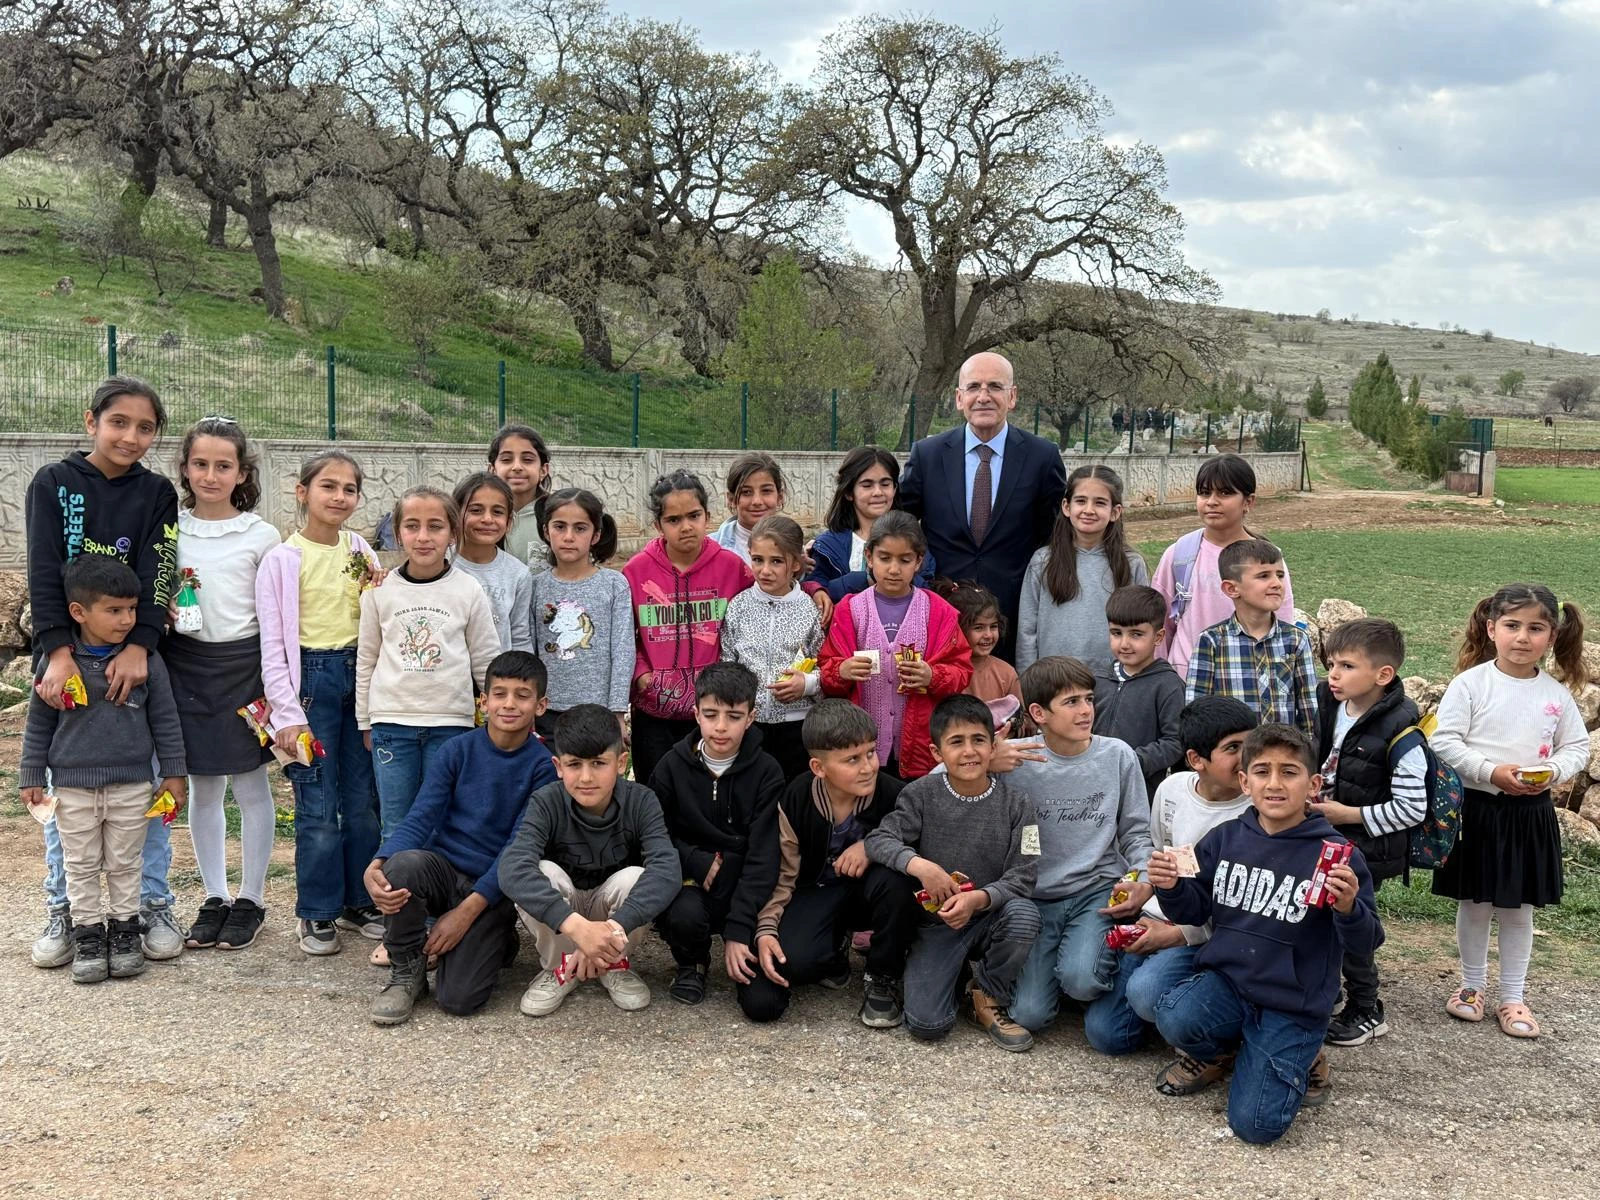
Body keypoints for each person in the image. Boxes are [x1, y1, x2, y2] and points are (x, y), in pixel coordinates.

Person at [1149, 724, 1382, 1145]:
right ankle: (1228, 1053)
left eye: (1289, 772)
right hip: (1229, 983)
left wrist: (1349, 908)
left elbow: (1366, 943)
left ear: (1313, 785)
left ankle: (1302, 1053)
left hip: (1293, 1001)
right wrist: (1172, 888)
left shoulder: (1337, 856)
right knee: (1174, 1013)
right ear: (1244, 781)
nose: (1274, 784)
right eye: (1262, 772)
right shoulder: (1224, 838)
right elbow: (1195, 909)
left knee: (1257, 1126)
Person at [25, 375, 184, 969]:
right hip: (68, 658)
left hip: (134, 658)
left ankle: (149, 904)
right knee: (69, 803)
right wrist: (56, 650)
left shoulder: (157, 492)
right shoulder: (54, 483)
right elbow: (45, 569)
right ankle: (67, 911)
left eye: (146, 428)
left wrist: (142, 644)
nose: (131, 436)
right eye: (120, 422)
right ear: (91, 420)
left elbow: (159, 566)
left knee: (141, 795)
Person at [361, 651, 559, 1025]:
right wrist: (378, 863)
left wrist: (465, 914)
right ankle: (407, 971)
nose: (510, 704)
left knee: (458, 999)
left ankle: (498, 938)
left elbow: (517, 849)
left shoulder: (542, 768)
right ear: (483, 701)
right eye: (499, 693)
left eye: (522, 695)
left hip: (493, 889)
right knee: (401, 866)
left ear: (541, 705)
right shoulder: (457, 750)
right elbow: (420, 817)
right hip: (442, 871)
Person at [1430, 584, 1589, 1040]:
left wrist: (1553, 770)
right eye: (1512, 626)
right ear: (1491, 628)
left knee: (1518, 909)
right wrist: (1489, 770)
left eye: (1536, 628)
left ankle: (1513, 996)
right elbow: (1444, 740)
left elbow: (1577, 746)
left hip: (1529, 815)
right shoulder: (1471, 684)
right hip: (1478, 810)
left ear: (1552, 636)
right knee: (1475, 902)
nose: (1523, 637)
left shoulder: (1555, 694)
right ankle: (1471, 987)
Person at [20, 557, 187, 984]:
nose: (127, 619)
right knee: (79, 863)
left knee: (125, 861)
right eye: (114, 610)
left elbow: (165, 718)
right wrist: (31, 776)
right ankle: (89, 935)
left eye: (132, 609)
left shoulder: (144, 660)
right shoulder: (57, 663)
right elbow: (39, 723)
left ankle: (125, 932)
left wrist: (172, 773)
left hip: (133, 784)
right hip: (73, 788)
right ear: (78, 612)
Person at [257, 451, 384, 957]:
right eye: (327, 486)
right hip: (309, 683)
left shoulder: (361, 551)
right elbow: (272, 643)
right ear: (302, 491)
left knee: (362, 801)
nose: (338, 497)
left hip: (360, 676)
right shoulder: (283, 559)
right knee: (317, 802)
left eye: (349, 489)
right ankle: (316, 911)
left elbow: (376, 617)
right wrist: (287, 714)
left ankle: (359, 900)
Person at [726, 699, 918, 1026]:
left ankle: (882, 977)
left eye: (870, 753)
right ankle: (832, 953)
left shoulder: (894, 794)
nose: (868, 767)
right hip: (815, 892)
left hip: (870, 894)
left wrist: (872, 846)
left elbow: (920, 835)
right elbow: (782, 875)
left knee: (898, 881)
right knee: (775, 985)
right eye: (852, 759)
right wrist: (765, 929)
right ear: (819, 767)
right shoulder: (796, 798)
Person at [1083, 697, 1257, 1058]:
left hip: (1211, 932)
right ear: (1197, 760)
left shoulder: (1256, 811)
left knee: (1146, 992)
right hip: (1158, 915)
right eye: (1233, 748)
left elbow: (1246, 906)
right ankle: (1171, 1008)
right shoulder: (1173, 789)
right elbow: (1159, 854)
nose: (1248, 758)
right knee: (1106, 1035)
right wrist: (1143, 885)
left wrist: (1180, 935)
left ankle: (1198, 1019)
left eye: (1251, 744)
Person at [865, 694, 1041, 1049]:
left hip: (990, 916)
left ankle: (987, 992)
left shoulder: (1019, 805)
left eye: (978, 740)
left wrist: (979, 899)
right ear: (936, 753)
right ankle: (947, 969)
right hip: (938, 924)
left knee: (1024, 914)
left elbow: (1025, 874)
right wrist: (921, 866)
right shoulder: (920, 794)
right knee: (927, 1025)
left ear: (994, 747)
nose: (969, 752)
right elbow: (879, 839)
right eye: (956, 742)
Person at [166, 415, 281, 952]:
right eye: (200, 464)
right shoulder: (169, 527)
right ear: (185, 469)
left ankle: (252, 897)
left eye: (223, 465)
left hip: (244, 667)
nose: (210, 475)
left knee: (251, 784)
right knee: (204, 786)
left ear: (241, 473)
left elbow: (274, 611)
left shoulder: (261, 535)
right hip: (186, 664)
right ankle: (214, 895)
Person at [1004, 656, 1154, 1034]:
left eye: (1088, 699)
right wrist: (987, 759)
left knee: (1082, 982)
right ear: (1038, 712)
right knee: (1029, 1016)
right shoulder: (1017, 758)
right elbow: (941, 777)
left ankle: (1086, 969)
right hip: (1038, 897)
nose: (1086, 710)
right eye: (1071, 702)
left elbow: (1136, 832)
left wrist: (1143, 877)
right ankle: (1063, 964)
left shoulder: (1118, 755)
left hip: (1096, 889)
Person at [500, 704, 680, 1017]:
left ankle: (613, 963)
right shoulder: (547, 801)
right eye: (574, 764)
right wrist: (577, 928)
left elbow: (667, 870)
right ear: (558, 766)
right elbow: (512, 867)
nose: (586, 777)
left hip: (609, 912)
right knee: (543, 872)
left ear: (621, 762)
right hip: (566, 909)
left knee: (636, 877)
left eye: (598, 763)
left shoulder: (641, 800)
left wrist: (610, 930)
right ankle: (559, 967)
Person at [897, 351, 1067, 658]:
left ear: (1012, 396)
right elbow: (900, 524)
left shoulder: (1042, 457)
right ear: (959, 398)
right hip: (941, 612)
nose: (983, 396)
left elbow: (1054, 533)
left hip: (1011, 616)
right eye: (974, 387)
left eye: (995, 387)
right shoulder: (928, 454)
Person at [357, 486, 500, 840]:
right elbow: (367, 657)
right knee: (397, 827)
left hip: (451, 725)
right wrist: (365, 720)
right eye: (412, 526)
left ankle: (440, 895)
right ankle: (396, 897)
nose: (423, 537)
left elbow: (486, 660)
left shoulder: (468, 590)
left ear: (453, 532)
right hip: (392, 723)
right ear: (397, 530)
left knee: (443, 825)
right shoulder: (379, 590)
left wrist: (497, 716)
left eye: (435, 526)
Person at [1309, 618, 1427, 1047]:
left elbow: (1412, 808)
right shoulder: (1333, 703)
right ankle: (1332, 989)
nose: (1333, 675)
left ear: (1382, 675)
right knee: (1321, 916)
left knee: (1352, 922)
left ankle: (1367, 1007)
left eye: (1346, 666)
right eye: (1331, 664)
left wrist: (1347, 814)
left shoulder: (1402, 731)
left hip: (1366, 849)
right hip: (1330, 836)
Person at [648, 662, 785, 1006]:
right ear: (696, 715)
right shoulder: (671, 765)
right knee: (683, 913)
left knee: (764, 1005)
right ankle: (692, 962)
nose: (721, 727)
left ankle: (740, 940)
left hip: (746, 887)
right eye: (711, 714)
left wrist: (740, 929)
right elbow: (652, 835)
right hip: (693, 882)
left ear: (751, 718)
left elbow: (765, 855)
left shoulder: (768, 771)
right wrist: (694, 861)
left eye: (734, 716)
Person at [819, 512, 972, 780]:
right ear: (869, 557)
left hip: (920, 744)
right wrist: (842, 670)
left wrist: (932, 676)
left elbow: (961, 670)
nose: (893, 569)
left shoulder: (937, 612)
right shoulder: (850, 610)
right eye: (885, 558)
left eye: (905, 560)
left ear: (918, 562)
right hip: (860, 745)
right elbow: (827, 670)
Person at [623, 470, 754, 786]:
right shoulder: (636, 571)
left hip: (714, 710)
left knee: (708, 790)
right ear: (658, 525)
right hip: (654, 710)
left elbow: (754, 615)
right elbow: (626, 634)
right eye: (673, 519)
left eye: (694, 515)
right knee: (655, 790)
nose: (686, 527)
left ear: (708, 516)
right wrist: (642, 673)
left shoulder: (732, 567)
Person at [1151, 453, 1297, 680]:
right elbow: (1160, 623)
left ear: (1248, 501)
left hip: (1249, 681)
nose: (1212, 501)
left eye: (1225, 493)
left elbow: (1283, 624)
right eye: (1204, 492)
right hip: (1187, 679)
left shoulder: (1268, 557)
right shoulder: (1180, 555)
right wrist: (1159, 679)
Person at [1016, 465, 1149, 675]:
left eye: (1100, 503)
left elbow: (1143, 627)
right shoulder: (1043, 560)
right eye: (1081, 501)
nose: (1089, 510)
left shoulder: (1132, 564)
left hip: (1113, 679)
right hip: (1053, 680)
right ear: (1066, 507)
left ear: (1115, 512)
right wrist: (1027, 679)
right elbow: (1027, 629)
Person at [719, 515, 823, 780]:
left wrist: (807, 684)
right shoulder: (738, 607)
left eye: (776, 561)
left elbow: (825, 665)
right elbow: (727, 663)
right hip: (749, 725)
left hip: (797, 725)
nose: (765, 570)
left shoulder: (809, 609)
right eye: (758, 560)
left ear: (796, 563)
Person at [1185, 539, 1318, 740]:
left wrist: (1308, 754)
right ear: (1231, 589)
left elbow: (1310, 709)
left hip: (1281, 755)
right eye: (1264, 576)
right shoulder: (1211, 641)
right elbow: (1197, 710)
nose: (1276, 583)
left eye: (1279, 575)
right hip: (1231, 757)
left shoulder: (1296, 639)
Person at [528, 488, 632, 740]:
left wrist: (617, 710)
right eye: (560, 527)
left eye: (580, 528)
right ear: (545, 531)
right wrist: (529, 705)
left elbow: (623, 650)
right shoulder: (534, 586)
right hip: (548, 712)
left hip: (599, 711)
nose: (569, 537)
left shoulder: (614, 584)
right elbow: (529, 650)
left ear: (595, 534)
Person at [1093, 584, 1185, 800]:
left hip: (1141, 792)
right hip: (1093, 785)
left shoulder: (1168, 685)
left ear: (1159, 637)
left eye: (1136, 635)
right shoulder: (1097, 679)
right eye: (1116, 633)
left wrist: (1133, 760)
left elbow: (1176, 741)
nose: (1124, 643)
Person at [808, 447, 936, 601]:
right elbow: (814, 584)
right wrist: (819, 590)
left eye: (885, 484)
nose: (878, 492)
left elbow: (927, 590)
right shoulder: (827, 546)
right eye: (867, 485)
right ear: (849, 492)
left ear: (895, 489)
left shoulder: (914, 542)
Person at [450, 472, 534, 653]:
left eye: (497, 512)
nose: (487, 519)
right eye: (476, 510)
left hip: (497, 678)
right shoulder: (440, 563)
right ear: (456, 514)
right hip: (449, 677)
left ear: (509, 521)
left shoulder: (518, 574)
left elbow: (519, 637)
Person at [937, 581, 1023, 728]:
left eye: (993, 626)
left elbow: (1023, 719)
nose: (988, 635)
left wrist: (1010, 730)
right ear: (957, 629)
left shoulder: (1006, 673)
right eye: (978, 628)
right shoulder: (943, 673)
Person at [487, 423, 553, 565]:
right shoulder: (480, 516)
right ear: (492, 470)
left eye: (527, 460)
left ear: (543, 470)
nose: (517, 467)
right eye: (506, 460)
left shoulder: (557, 514)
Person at [711, 452, 785, 563]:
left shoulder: (797, 551)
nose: (757, 501)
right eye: (746, 492)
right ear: (731, 499)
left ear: (779, 497)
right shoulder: (708, 550)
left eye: (766, 491)